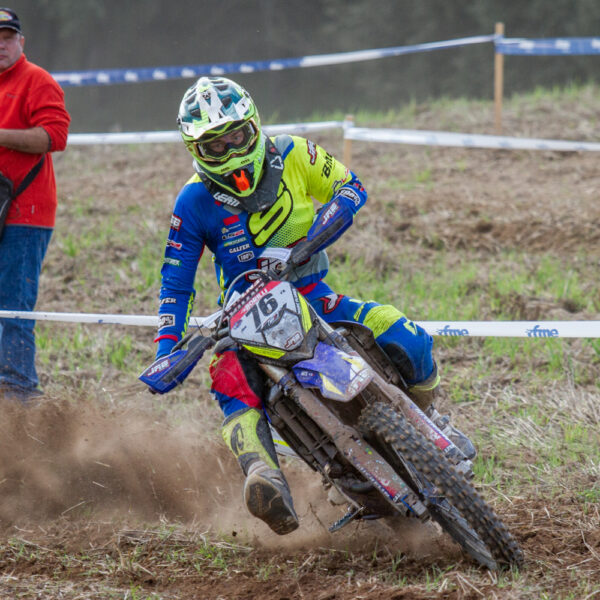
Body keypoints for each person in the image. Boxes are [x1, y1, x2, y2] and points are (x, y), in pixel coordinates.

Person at [154, 76, 474, 535]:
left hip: (312, 294)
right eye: (215, 146)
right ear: (196, 150)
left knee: (404, 335)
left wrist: (307, 244)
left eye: (237, 136)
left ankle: (429, 418)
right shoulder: (193, 201)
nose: (230, 151)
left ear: (254, 125)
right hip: (245, 317)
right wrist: (166, 349)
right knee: (228, 378)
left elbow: (350, 187)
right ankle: (264, 478)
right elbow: (175, 281)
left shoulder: (293, 153)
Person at [0, 8, 70, 401]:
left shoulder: (37, 80)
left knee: (13, 304)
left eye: (7, 37)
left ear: (21, 42)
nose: (1, 45)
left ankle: (19, 392)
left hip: (26, 213)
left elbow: (55, 136)